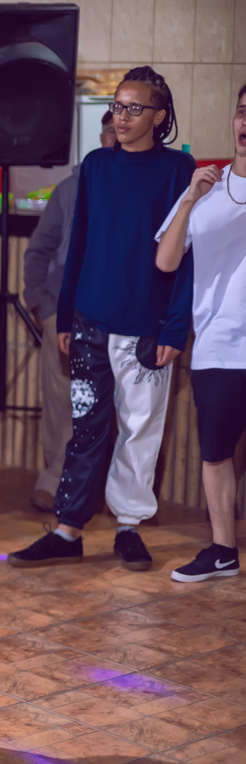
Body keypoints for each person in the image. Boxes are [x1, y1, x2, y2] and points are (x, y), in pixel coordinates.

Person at [8, 66, 195, 572]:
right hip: (89, 322)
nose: (122, 116)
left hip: (147, 328)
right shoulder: (94, 166)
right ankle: (68, 530)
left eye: (134, 108)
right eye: (117, 105)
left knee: (139, 430)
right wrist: (65, 316)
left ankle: (128, 528)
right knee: (85, 427)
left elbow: (187, 257)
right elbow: (79, 247)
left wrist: (175, 326)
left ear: (159, 116)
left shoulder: (179, 169)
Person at [154, 82, 246, 583]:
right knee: (216, 453)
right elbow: (166, 261)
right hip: (218, 347)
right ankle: (223, 551)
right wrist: (190, 199)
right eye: (242, 112)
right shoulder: (208, 188)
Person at [23, 111, 118, 513]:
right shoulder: (71, 187)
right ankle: (56, 483)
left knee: (113, 404)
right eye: (111, 129)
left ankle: (103, 492)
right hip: (63, 310)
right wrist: (39, 301)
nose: (118, 136)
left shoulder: (150, 182)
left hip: (121, 312)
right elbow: (39, 249)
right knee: (63, 400)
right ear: (102, 135)